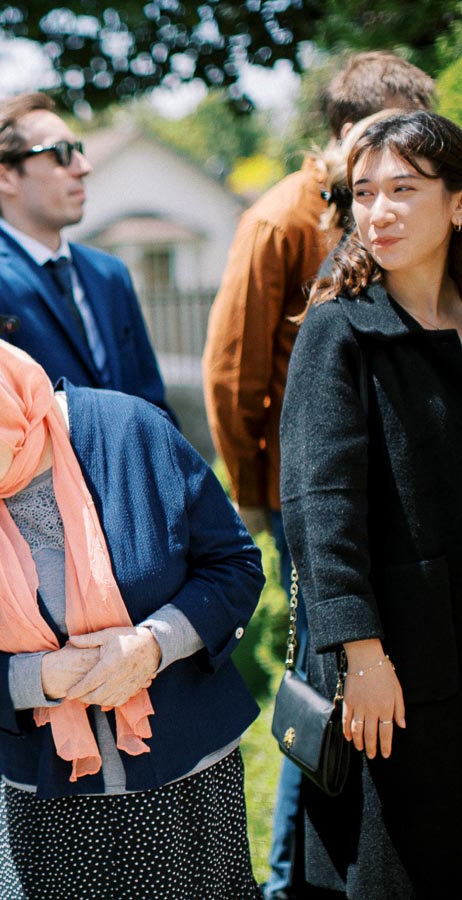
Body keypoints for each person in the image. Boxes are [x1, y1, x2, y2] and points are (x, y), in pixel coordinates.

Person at [0, 319, 264, 899]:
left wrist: (152, 644)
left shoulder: (132, 431)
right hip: (48, 804)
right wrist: (42, 677)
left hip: (185, 783)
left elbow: (235, 567)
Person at [201, 50, 433, 900]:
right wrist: (261, 499)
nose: (388, 182)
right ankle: (295, 878)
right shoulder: (279, 220)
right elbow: (233, 375)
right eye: (380, 146)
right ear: (345, 136)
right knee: (328, 692)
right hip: (322, 493)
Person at [280, 109, 462, 899]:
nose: (379, 210)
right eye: (363, 192)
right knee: (399, 874)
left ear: (457, 203)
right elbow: (319, 511)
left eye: (404, 189)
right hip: (397, 666)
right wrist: (361, 654)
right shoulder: (340, 330)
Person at [0, 92, 174, 421]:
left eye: (79, 151)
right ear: (3, 176)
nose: (83, 167)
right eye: (61, 153)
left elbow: (152, 401)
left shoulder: (110, 273)